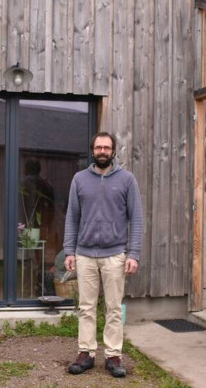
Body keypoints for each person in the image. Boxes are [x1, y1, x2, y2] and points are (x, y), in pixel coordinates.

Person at [63, 132, 143, 378]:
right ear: (92, 150)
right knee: (86, 307)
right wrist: (69, 250)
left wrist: (134, 253)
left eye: (107, 147)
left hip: (115, 255)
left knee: (113, 308)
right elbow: (72, 217)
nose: (102, 151)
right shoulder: (79, 179)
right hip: (85, 254)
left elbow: (136, 218)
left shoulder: (127, 180)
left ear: (113, 151)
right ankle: (86, 353)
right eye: (98, 147)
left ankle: (113, 355)